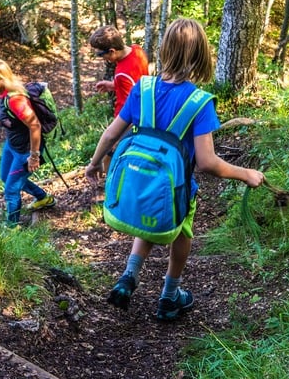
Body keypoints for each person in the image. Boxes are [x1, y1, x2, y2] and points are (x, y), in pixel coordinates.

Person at [84, 18, 265, 321]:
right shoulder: (199, 103)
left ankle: (129, 275)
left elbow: (111, 134)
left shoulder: (143, 88)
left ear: (165, 49)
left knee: (149, 208)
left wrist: (93, 164)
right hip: (176, 189)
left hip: (139, 182)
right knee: (181, 232)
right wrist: (246, 173)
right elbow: (207, 163)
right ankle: (170, 295)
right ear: (200, 56)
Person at [0, 59, 55, 226]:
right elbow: (6, 113)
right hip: (12, 145)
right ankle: (43, 198)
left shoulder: (15, 99)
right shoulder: (3, 93)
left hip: (26, 151)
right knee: (5, 177)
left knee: (11, 190)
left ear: (0, 79)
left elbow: (34, 125)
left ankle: (12, 227)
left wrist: (34, 156)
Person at [89, 25, 149, 173]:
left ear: (112, 51)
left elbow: (134, 103)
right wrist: (113, 85)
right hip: (139, 110)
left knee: (110, 150)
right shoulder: (137, 50)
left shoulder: (122, 72)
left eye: (101, 55)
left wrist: (120, 132)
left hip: (124, 119)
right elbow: (137, 83)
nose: (102, 58)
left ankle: (108, 184)